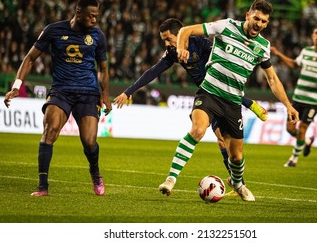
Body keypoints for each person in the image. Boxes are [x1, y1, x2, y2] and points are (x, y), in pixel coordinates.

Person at [158, 0, 299, 201]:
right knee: (198, 129)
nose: (259, 24)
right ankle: (171, 179)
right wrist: (180, 48)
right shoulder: (226, 26)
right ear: (248, 16)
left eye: (264, 22)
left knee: (236, 156)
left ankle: (238, 183)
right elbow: (186, 30)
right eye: (256, 18)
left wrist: (288, 105)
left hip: (232, 103)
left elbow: (272, 79)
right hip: (209, 93)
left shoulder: (263, 46)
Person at [113, 18, 268, 195]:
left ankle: (238, 183)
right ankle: (172, 179)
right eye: (163, 40)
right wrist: (128, 91)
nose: (166, 43)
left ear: (180, 34)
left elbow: (224, 80)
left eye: (168, 38)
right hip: (207, 97)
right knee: (204, 133)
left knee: (228, 146)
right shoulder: (172, 53)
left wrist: (248, 103)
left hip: (225, 95)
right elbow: (153, 72)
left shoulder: (202, 44)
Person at [3, 0, 112, 196]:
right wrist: (17, 86)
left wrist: (105, 94)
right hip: (61, 91)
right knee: (50, 129)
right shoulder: (54, 30)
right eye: (91, 16)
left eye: (97, 16)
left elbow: (103, 68)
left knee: (89, 141)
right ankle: (43, 186)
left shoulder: (98, 36)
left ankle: (95, 172)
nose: (94, 20)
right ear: (78, 13)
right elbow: (29, 58)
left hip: (88, 93)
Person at [270, 24, 317, 167]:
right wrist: (278, 53)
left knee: (302, 127)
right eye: (316, 33)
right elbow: (293, 64)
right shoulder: (306, 51)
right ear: (312, 35)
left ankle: (293, 159)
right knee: (290, 128)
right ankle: (307, 141)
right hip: (298, 97)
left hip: (314, 100)